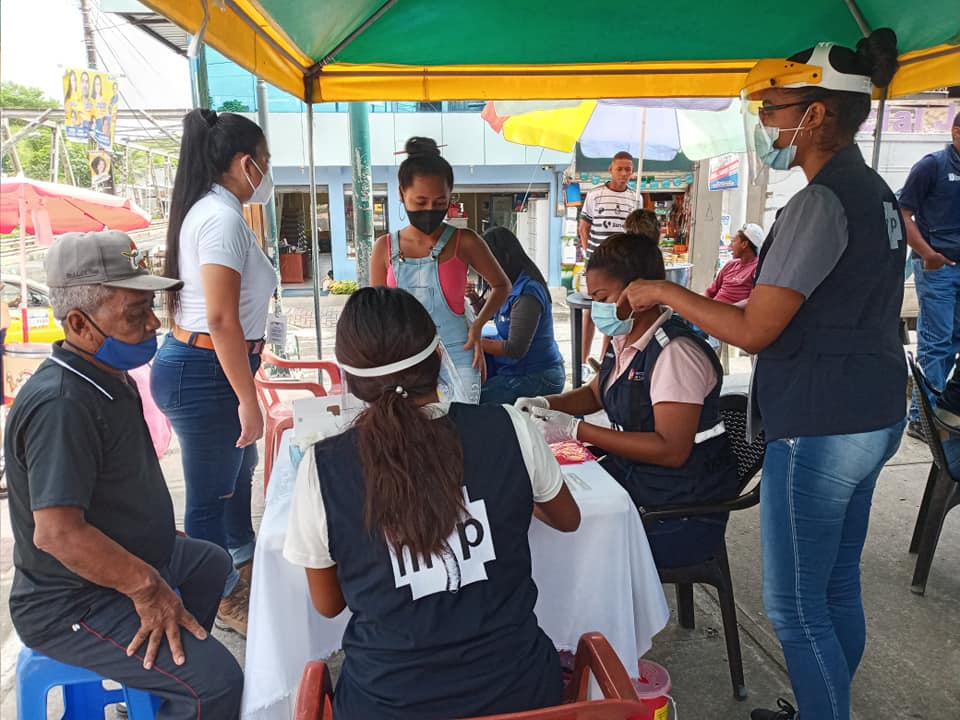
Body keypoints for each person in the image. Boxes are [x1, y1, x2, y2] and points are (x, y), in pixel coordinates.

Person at [618, 31, 904, 720]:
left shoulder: (821, 202)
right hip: (873, 413)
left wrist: (665, 292)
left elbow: (755, 330)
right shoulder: (875, 192)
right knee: (834, 587)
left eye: (775, 108)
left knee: (796, 607)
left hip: (821, 424)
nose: (767, 121)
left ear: (818, 114)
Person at [283, 286, 580, 719]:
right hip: (521, 694)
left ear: (351, 381)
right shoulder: (509, 427)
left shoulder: (323, 467)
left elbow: (329, 605)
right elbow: (567, 518)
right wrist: (505, 489)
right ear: (440, 358)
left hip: (387, 705)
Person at [4, 231, 243, 719]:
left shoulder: (106, 377)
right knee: (216, 686)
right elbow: (58, 534)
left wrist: (151, 532)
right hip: (72, 602)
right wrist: (145, 587)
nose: (153, 323)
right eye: (136, 314)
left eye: (150, 308)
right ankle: (183, 686)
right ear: (79, 323)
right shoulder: (63, 404)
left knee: (211, 563)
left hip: (124, 560)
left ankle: (162, 683)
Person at [517, 232, 739, 569]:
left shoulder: (675, 353)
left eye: (602, 297)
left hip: (677, 512)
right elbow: (595, 393)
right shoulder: (625, 339)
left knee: (561, 537)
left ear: (641, 293)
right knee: (541, 505)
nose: (597, 309)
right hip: (638, 482)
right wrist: (545, 404)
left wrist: (577, 431)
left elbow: (671, 449)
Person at [151, 109, 278, 637]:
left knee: (238, 472)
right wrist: (248, 399)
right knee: (210, 494)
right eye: (265, 161)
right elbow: (222, 318)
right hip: (205, 371)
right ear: (246, 164)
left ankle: (241, 564)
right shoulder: (220, 218)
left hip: (214, 365)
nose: (267, 173)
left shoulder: (216, 212)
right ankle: (219, 596)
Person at [371, 137, 511, 403]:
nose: (429, 211)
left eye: (439, 203)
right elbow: (375, 312)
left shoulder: (465, 241)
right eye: (420, 202)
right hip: (405, 358)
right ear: (401, 193)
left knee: (461, 424)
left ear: (450, 195)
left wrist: (478, 326)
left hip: (459, 352)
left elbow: (502, 285)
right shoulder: (383, 248)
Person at [900, 112, 960, 441]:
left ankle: (939, 414)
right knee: (936, 343)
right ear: (955, 132)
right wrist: (927, 254)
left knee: (953, 341)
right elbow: (902, 213)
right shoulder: (932, 166)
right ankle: (921, 419)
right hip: (939, 269)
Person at [469, 226, 564, 404]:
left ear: (503, 259)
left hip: (538, 376)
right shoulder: (508, 285)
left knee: (472, 400)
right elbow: (491, 315)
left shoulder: (527, 293)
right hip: (515, 369)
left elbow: (515, 349)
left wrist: (473, 342)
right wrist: (474, 298)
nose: (483, 270)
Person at [577, 151, 639, 372]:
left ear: (632, 172)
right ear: (610, 169)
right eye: (619, 169)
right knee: (592, 309)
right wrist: (590, 254)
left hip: (621, 266)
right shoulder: (595, 195)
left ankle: (604, 361)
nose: (623, 173)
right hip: (596, 264)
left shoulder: (636, 198)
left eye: (628, 169)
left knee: (614, 310)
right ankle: (582, 360)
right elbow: (584, 227)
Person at [706, 223, 765, 305]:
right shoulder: (730, 264)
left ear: (744, 244)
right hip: (712, 308)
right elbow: (710, 292)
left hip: (727, 311)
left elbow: (752, 301)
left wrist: (726, 309)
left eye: (733, 241)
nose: (730, 246)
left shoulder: (757, 269)